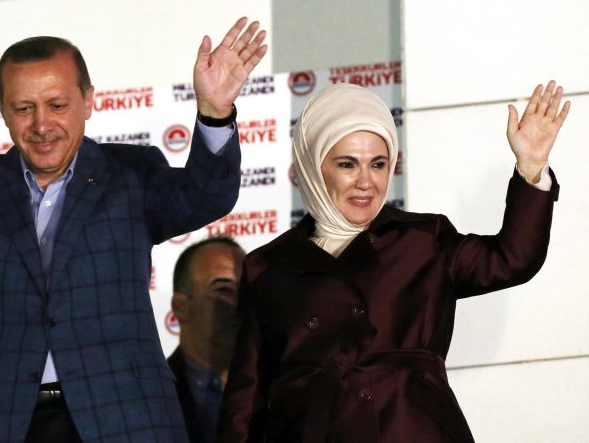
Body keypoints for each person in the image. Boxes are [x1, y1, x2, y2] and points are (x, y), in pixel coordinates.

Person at [0, 17, 267, 443]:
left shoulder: (132, 174)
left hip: (126, 418)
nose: (42, 125)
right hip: (0, 421)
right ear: (2, 109)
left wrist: (214, 115)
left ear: (88, 100)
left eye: (57, 105)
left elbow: (206, 197)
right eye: (24, 108)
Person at [217, 82, 570, 442]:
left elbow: (513, 258)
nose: (366, 182)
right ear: (311, 166)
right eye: (347, 164)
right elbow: (246, 403)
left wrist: (531, 168)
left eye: (379, 164)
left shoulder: (423, 240)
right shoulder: (269, 267)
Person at [167, 237, 246, 443]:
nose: (240, 305)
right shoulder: (150, 394)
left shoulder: (281, 387)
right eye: (223, 290)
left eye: (247, 291)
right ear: (180, 306)